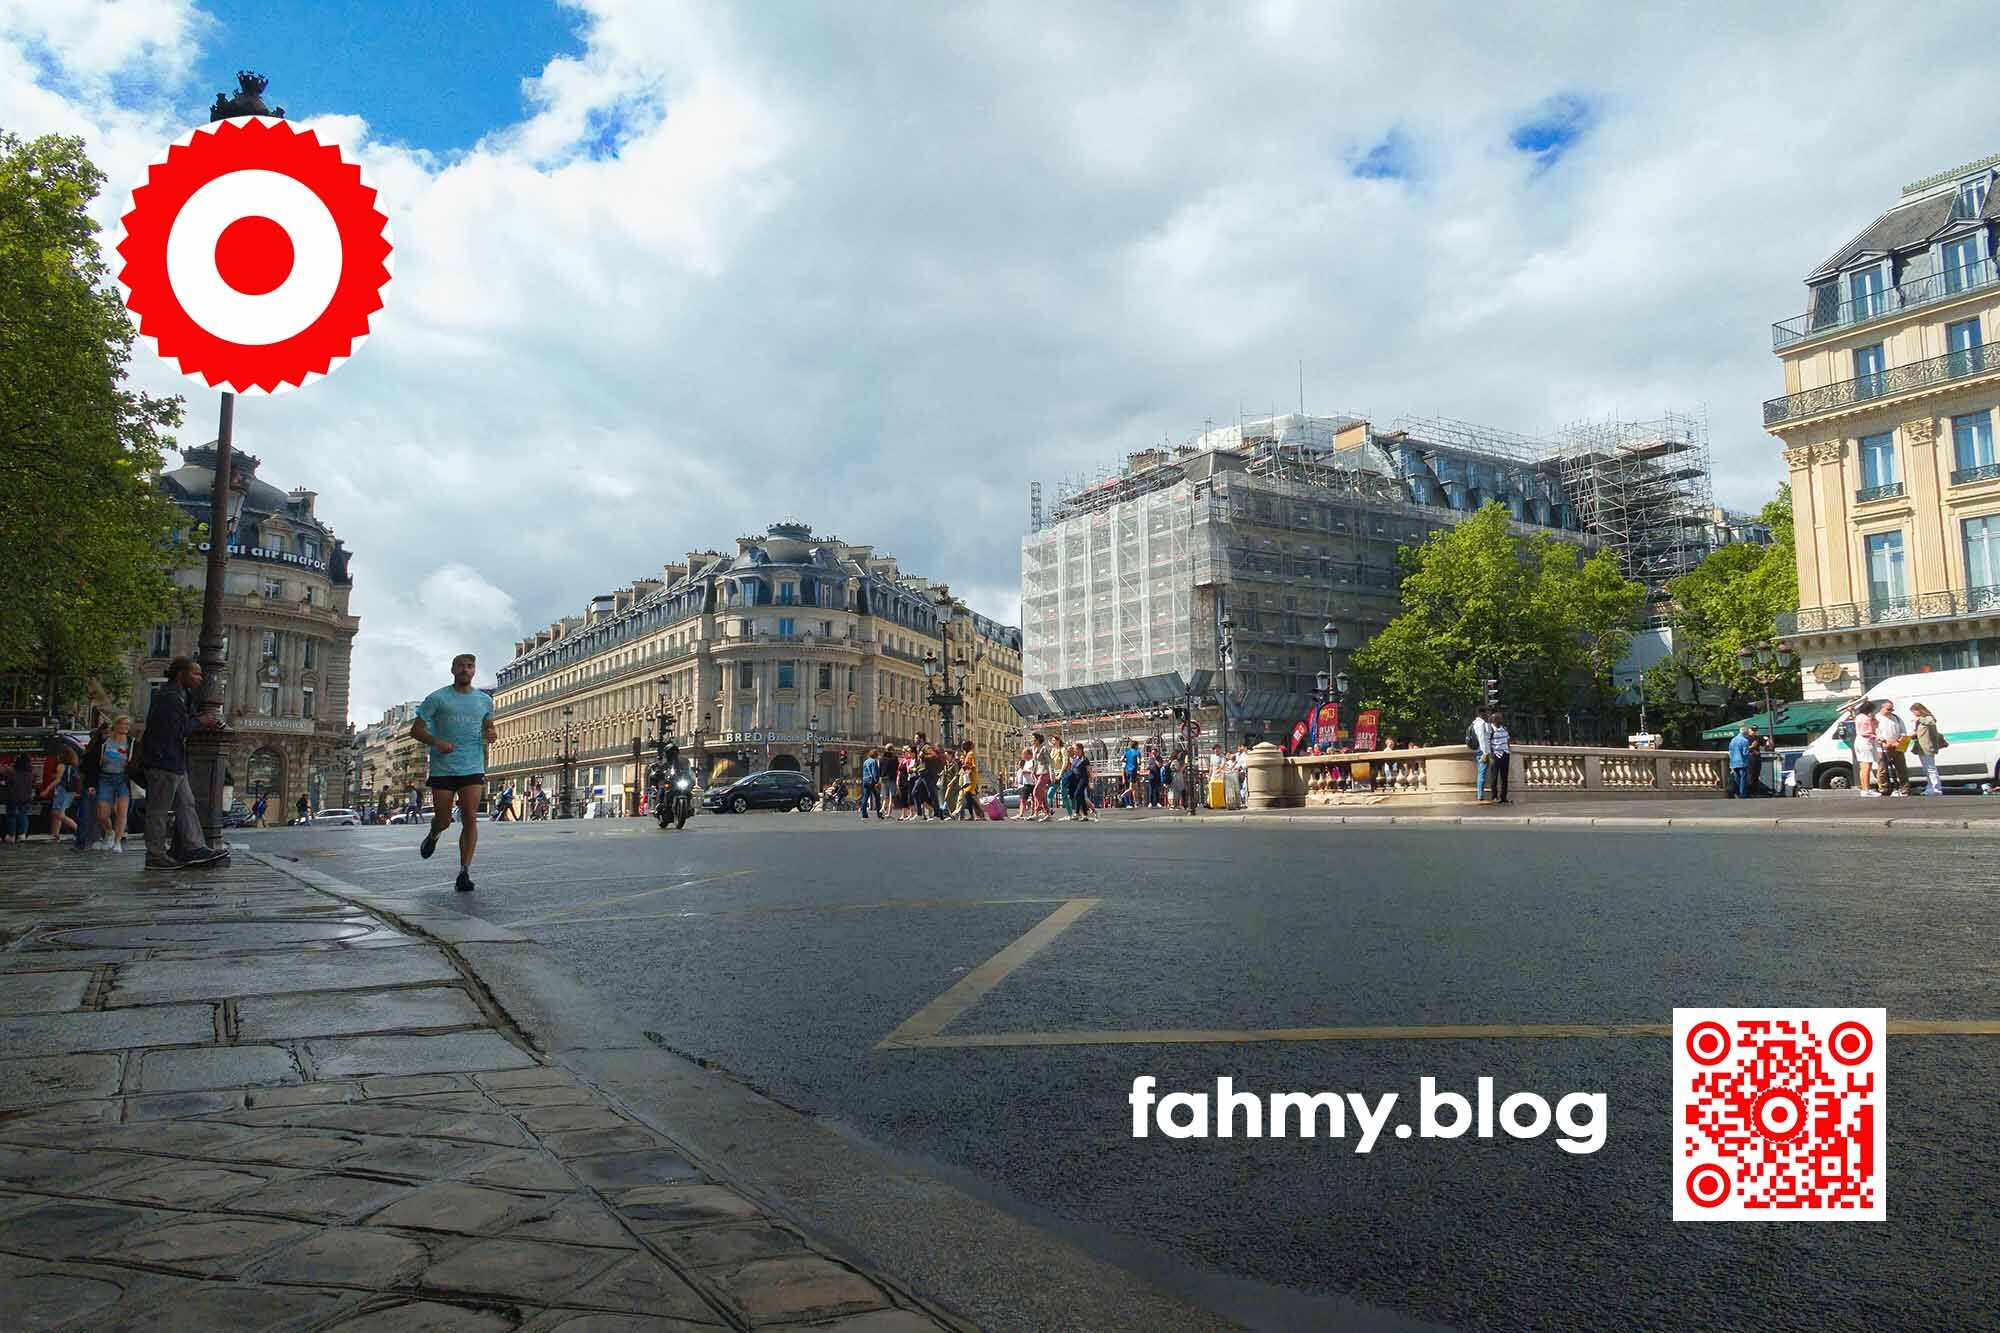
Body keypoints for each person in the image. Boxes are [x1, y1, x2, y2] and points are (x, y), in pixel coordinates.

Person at [410, 653, 497, 893]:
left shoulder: (484, 700)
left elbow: (489, 725)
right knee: (444, 819)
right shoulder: (437, 698)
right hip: (443, 766)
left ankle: (464, 872)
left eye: (470, 667)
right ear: (452, 670)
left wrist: (491, 733)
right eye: (461, 666)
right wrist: (437, 742)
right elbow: (415, 730)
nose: (465, 670)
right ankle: (434, 834)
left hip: (472, 766)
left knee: (470, 816)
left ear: (474, 671)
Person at [139, 657, 229, 869]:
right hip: (163, 762)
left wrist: (202, 720)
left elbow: (185, 721)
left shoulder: (181, 696)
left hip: (175, 762)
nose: (200, 678)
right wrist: (200, 722)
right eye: (196, 674)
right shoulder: (168, 697)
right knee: (158, 811)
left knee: (186, 804)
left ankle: (194, 846)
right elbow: (175, 731)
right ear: (181, 674)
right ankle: (155, 855)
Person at [95, 715, 136, 851]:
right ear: (116, 724)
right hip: (105, 778)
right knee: (102, 814)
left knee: (121, 811)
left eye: (127, 725)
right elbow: (94, 757)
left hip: (122, 779)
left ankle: (118, 842)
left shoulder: (131, 742)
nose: (125, 727)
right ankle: (109, 832)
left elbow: (137, 760)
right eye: (123, 724)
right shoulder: (105, 741)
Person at [40, 739, 80, 844]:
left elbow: (57, 780)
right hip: (70, 791)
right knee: (60, 813)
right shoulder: (73, 766)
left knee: (56, 813)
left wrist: (46, 790)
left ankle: (79, 830)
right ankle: (55, 835)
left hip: (62, 791)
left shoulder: (61, 766)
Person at [1910, 702, 1947, 796]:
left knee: (1931, 768)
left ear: (1919, 710)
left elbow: (1931, 722)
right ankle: (1930, 786)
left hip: (1927, 746)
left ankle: (1936, 788)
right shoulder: (1920, 721)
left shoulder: (1928, 718)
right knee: (1926, 769)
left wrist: (1919, 719)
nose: (1914, 714)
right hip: (1921, 747)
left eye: (1914, 712)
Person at [1874, 702, 1908, 796]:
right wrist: (1884, 743)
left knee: (1902, 768)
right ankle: (1884, 789)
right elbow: (1875, 734)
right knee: (1882, 769)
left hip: (1898, 746)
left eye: (1892, 709)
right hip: (1882, 748)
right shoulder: (1876, 718)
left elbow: (1904, 732)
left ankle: (1904, 788)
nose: (1891, 711)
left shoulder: (1896, 718)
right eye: (1888, 709)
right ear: (1882, 708)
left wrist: (1898, 743)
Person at [3, 754, 32, 845]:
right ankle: (22, 835)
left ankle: (11, 836)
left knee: (11, 815)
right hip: (26, 797)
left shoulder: (12, 772)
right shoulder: (30, 773)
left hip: (13, 797)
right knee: (23, 815)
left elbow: (7, 783)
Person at [1851, 701, 1879, 797]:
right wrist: (1876, 737)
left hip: (1859, 741)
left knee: (1863, 766)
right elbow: (1867, 732)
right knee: (1867, 766)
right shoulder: (1866, 718)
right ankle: (1867, 789)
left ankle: (1864, 788)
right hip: (1866, 742)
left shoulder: (1859, 717)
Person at [1470, 706, 1495, 803]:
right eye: (1487, 713)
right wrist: (1486, 753)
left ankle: (1481, 794)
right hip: (1483, 752)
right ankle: (1480, 795)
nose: (1488, 715)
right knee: (1482, 773)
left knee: (1483, 773)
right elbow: (1482, 739)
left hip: (1483, 751)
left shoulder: (1479, 723)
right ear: (1481, 713)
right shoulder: (1480, 724)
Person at [1489, 711, 1513, 805]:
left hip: (1505, 754)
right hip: (1495, 755)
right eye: (1498, 718)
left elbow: (1508, 740)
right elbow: (1488, 742)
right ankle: (1494, 796)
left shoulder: (1504, 728)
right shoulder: (1490, 729)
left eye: (1500, 718)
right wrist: (1491, 754)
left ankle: (1504, 797)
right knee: (1494, 777)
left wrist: (1508, 750)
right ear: (1494, 720)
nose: (1500, 720)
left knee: (1504, 777)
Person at [1727, 724, 1756, 800]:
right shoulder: (1745, 741)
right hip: (1742, 762)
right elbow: (1745, 753)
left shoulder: (1733, 740)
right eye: (1747, 733)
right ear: (1745, 733)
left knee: (1737, 778)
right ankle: (1742, 793)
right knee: (1743, 778)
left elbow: (1730, 751)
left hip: (1733, 762)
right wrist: (1751, 751)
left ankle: (1737, 793)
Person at [861, 748, 882, 819]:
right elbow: (874, 772)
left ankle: (864, 813)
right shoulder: (874, 761)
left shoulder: (865, 761)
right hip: (872, 781)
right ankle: (879, 813)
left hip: (865, 780)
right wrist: (877, 782)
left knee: (865, 797)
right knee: (877, 797)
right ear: (875, 755)